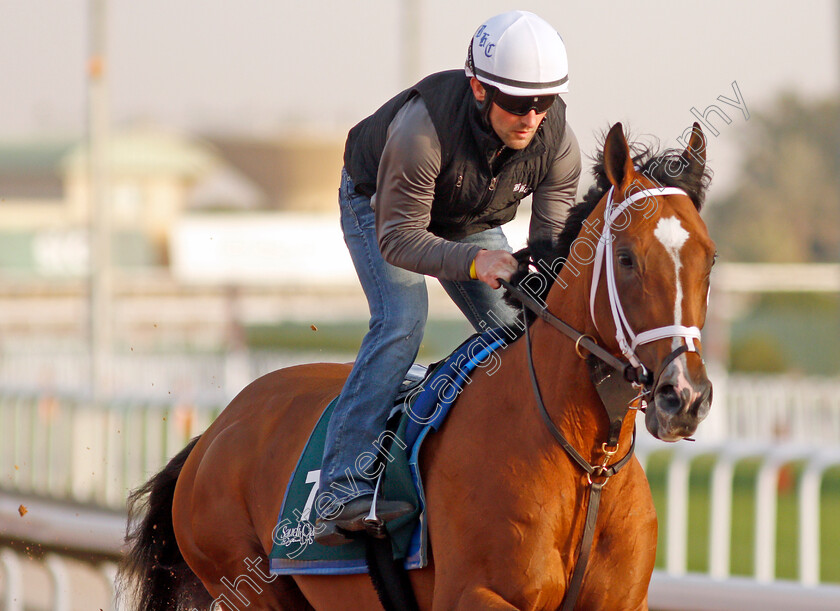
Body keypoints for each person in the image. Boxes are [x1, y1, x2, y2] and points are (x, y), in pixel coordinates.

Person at [315, 9, 582, 545]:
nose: (531, 117)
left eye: (543, 102)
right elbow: (399, 239)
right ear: (480, 89)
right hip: (381, 206)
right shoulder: (421, 131)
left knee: (525, 327)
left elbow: (552, 250)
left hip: (466, 217)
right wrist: (475, 262)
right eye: (516, 103)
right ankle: (338, 491)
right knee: (402, 321)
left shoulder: (559, 143)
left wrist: (542, 285)